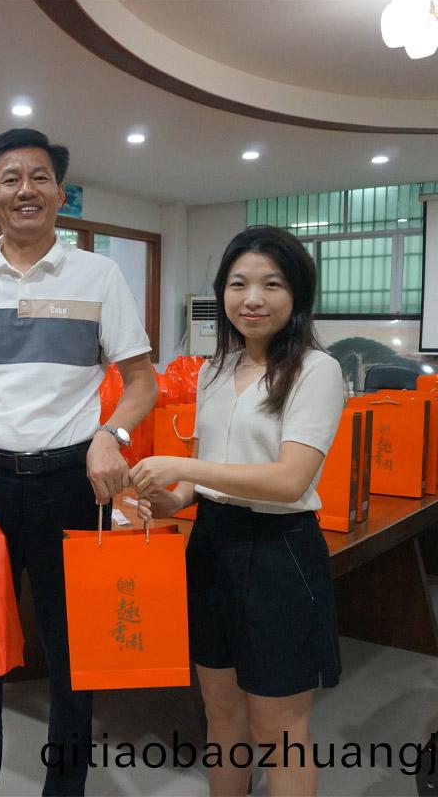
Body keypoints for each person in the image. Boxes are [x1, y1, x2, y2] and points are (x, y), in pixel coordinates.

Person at [0, 128, 157, 796]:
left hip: (70, 485)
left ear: (60, 193)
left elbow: (141, 381)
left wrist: (112, 432)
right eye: (10, 179)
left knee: (73, 657)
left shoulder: (99, 275)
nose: (25, 190)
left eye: (39, 178)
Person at [132, 225, 344, 797]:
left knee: (279, 729)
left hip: (279, 553)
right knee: (220, 712)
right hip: (212, 545)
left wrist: (183, 467)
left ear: (298, 293)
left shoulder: (316, 370)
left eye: (271, 284)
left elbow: (289, 480)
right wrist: (171, 497)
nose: (252, 298)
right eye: (238, 283)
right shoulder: (214, 369)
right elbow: (208, 475)